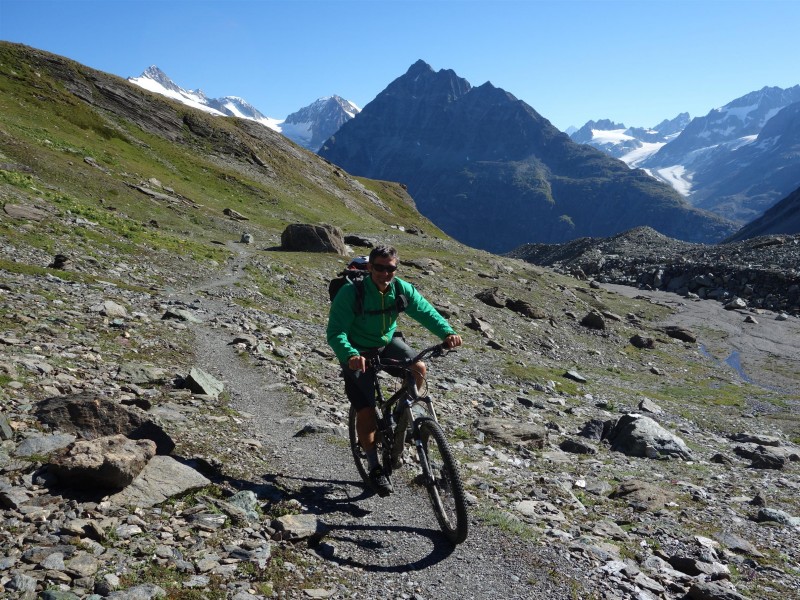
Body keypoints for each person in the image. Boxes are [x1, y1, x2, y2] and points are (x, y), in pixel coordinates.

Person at [327, 245, 462, 496]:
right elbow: (335, 332)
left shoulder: (401, 288)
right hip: (356, 351)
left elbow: (425, 311)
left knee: (418, 368)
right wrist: (350, 355)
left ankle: (402, 416)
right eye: (379, 267)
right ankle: (374, 465)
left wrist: (447, 332)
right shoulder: (351, 292)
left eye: (390, 268)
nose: (385, 273)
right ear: (369, 268)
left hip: (386, 342)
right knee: (366, 409)